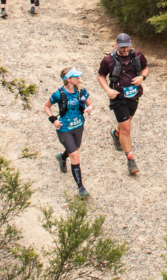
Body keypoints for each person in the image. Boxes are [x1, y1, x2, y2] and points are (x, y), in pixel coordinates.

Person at [97, 33, 148, 176]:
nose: (125, 50)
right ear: (116, 45)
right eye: (122, 48)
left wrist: (142, 77)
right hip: (118, 98)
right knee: (127, 129)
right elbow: (101, 76)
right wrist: (108, 90)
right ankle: (131, 160)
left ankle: (115, 133)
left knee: (127, 122)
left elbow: (145, 68)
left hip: (134, 96)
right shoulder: (108, 60)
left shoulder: (137, 55)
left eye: (127, 47)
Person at [45, 67, 94, 198]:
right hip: (65, 129)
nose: (79, 78)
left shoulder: (81, 91)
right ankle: (81, 189)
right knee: (76, 156)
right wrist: (53, 120)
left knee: (75, 150)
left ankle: (62, 158)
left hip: (78, 127)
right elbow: (46, 106)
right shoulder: (58, 94)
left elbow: (91, 104)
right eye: (76, 77)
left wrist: (89, 108)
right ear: (68, 79)